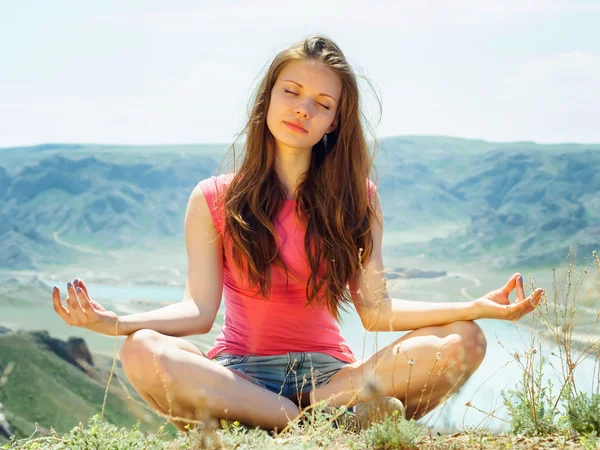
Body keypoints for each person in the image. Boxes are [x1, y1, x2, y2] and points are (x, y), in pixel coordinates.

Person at [50, 34, 545, 433]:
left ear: (333, 122)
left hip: (331, 376)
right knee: (141, 350)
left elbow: (376, 312)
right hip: (237, 373)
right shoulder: (212, 197)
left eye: (322, 103)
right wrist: (116, 323)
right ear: (268, 97)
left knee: (465, 341)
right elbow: (199, 311)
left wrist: (476, 309)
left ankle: (298, 412)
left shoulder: (358, 197)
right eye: (291, 91)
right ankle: (299, 419)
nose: (303, 108)